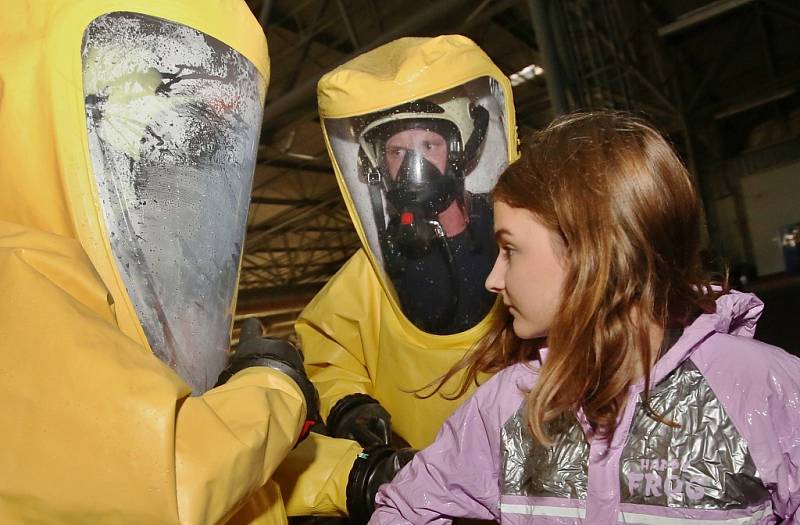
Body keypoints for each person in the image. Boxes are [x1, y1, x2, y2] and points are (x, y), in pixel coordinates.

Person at [371, 111, 800, 523]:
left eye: (510, 249)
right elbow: (407, 507)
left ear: (589, 252)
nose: (493, 279)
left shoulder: (764, 390)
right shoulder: (509, 404)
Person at [0, 2, 317, 523]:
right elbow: (166, 480)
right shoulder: (17, 284)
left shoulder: (99, 292)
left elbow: (232, 472)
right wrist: (273, 385)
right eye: (168, 105)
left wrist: (348, 473)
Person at [273, 35, 519, 522]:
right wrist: (350, 406)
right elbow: (331, 358)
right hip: (419, 490)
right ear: (375, 166)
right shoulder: (367, 277)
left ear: (461, 150)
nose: (413, 165)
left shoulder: (518, 247)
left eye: (428, 144)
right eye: (395, 151)